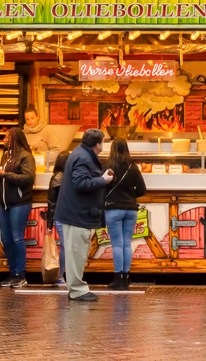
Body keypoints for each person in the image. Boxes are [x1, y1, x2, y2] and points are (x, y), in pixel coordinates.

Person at [55, 128, 114, 301]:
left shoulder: (80, 153)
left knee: (77, 252)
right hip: (77, 213)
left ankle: (77, 288)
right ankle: (77, 290)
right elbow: (80, 182)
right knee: (76, 253)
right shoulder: (83, 157)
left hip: (75, 212)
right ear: (98, 144)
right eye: (103, 141)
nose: (103, 144)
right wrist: (103, 180)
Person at [0, 127, 36, 288]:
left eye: (7, 137)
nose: (4, 140)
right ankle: (12, 273)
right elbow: (2, 181)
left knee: (17, 238)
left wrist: (4, 175)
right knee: (6, 239)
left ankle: (21, 274)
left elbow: (28, 178)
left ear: (15, 139)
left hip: (20, 202)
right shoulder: (6, 157)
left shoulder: (26, 157)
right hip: (4, 203)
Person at [103, 137, 146, 290]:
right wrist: (130, 196)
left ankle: (117, 280)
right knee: (127, 244)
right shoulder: (132, 167)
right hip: (130, 210)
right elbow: (142, 189)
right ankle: (126, 279)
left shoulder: (107, 166)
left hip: (113, 209)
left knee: (117, 245)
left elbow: (101, 186)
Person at [45, 151, 70, 285]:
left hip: (61, 216)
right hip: (74, 216)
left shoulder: (56, 178)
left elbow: (51, 203)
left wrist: (49, 224)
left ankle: (61, 276)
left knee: (65, 246)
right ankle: (67, 275)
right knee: (70, 246)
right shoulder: (74, 177)